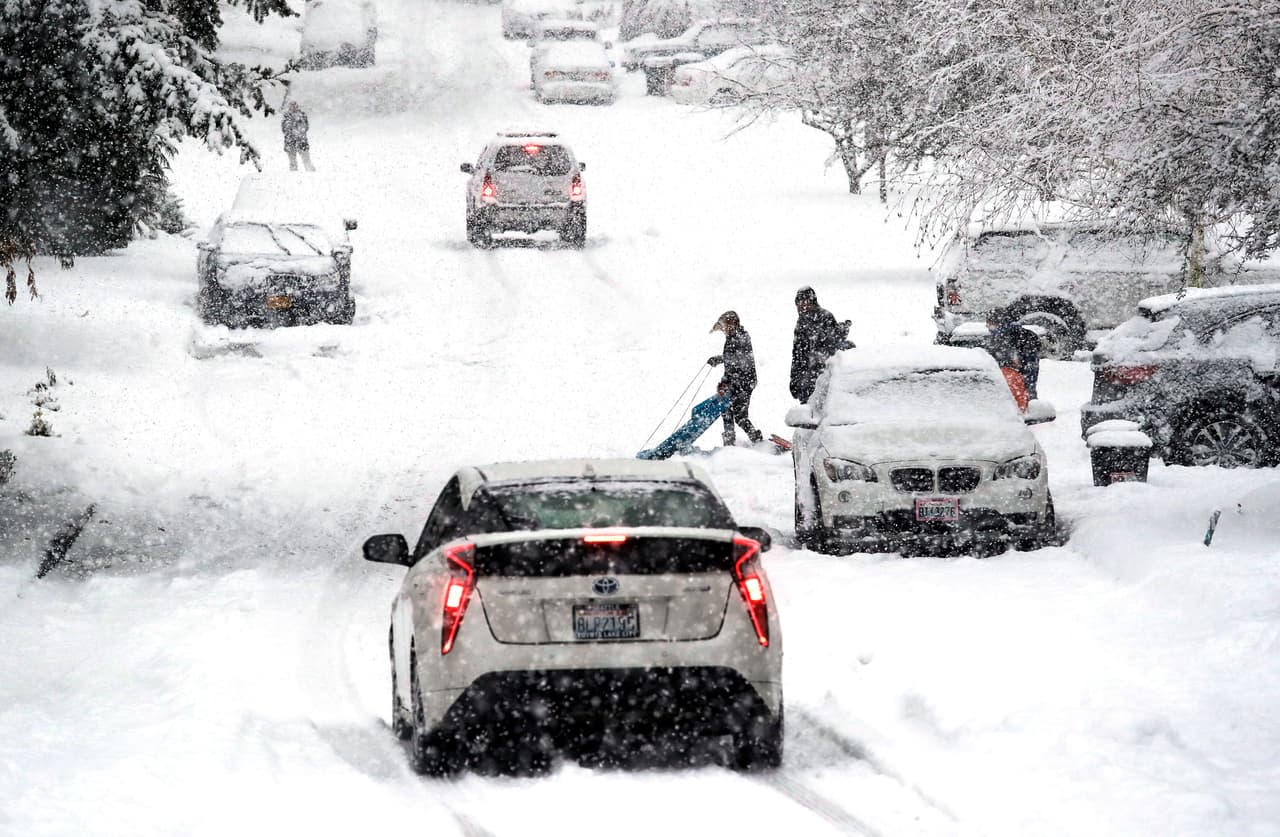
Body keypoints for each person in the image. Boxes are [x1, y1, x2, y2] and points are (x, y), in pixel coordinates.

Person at [707, 311, 763, 446]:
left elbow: (739, 360)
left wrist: (720, 359)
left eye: (724, 326)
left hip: (744, 382)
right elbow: (731, 364)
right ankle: (729, 442)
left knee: (740, 416)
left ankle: (757, 440)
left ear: (732, 324)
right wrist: (724, 382)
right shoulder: (731, 337)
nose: (723, 330)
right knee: (725, 410)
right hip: (733, 382)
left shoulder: (742, 337)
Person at [789, 286, 853, 403]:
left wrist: (816, 366)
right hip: (807, 380)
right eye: (798, 302)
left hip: (821, 377)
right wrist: (795, 380)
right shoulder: (801, 322)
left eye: (805, 301)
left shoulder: (824, 317)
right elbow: (797, 354)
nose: (801, 305)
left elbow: (831, 345)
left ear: (812, 302)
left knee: (819, 409)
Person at [986, 309, 1041, 403]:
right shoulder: (998, 336)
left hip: (1018, 378)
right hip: (1009, 379)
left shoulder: (1019, 336)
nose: (988, 327)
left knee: (1024, 396)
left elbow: (1029, 367)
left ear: (1000, 323)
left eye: (990, 324)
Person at [282, 101, 315, 172]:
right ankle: (294, 176)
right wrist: (292, 130)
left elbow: (306, 127)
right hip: (290, 142)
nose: (293, 107)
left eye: (295, 105)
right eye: (291, 106)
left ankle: (311, 173)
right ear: (289, 107)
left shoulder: (302, 115)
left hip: (302, 141)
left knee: (306, 160)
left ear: (297, 106)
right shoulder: (286, 116)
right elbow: (284, 129)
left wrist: (299, 130)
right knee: (292, 162)